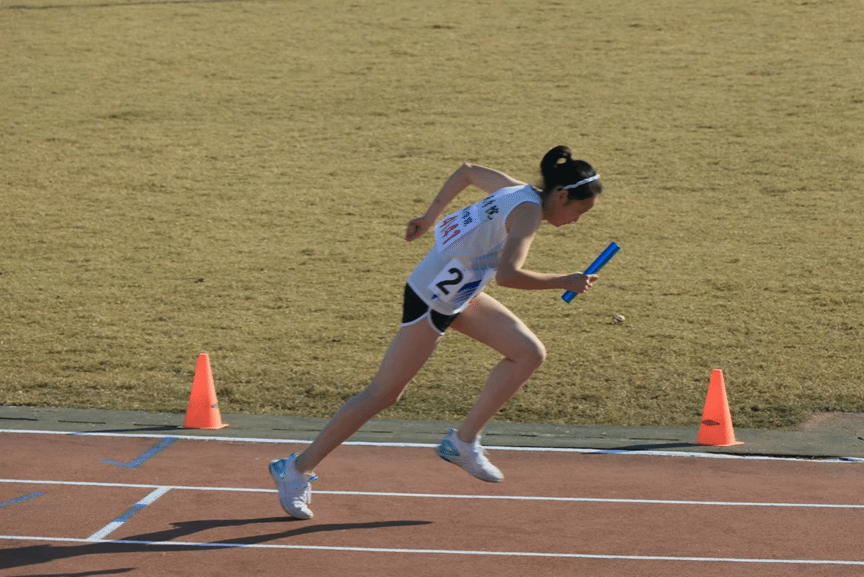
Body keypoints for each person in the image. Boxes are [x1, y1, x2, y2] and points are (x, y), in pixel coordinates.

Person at [270, 145, 604, 519]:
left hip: (460, 295)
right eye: (580, 211)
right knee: (383, 393)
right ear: (561, 196)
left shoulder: (517, 190)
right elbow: (509, 276)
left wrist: (430, 217)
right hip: (431, 300)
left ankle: (463, 442)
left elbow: (468, 171)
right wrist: (565, 280)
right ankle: (295, 469)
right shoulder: (527, 214)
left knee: (528, 353)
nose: (578, 220)